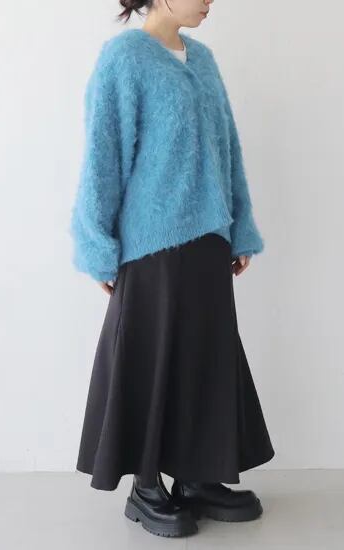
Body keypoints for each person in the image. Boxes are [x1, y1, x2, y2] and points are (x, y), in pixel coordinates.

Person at [69, 0, 275, 538]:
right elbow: (103, 156)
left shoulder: (201, 59)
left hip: (209, 239)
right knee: (152, 358)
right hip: (152, 243)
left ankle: (197, 477)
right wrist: (97, 245)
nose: (210, 0)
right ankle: (146, 486)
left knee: (205, 356)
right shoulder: (124, 58)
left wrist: (240, 227)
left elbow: (228, 148)